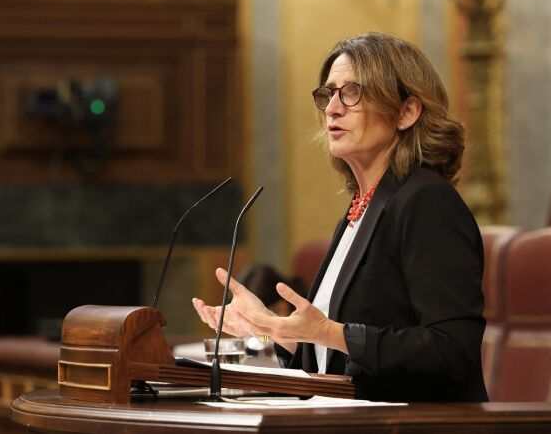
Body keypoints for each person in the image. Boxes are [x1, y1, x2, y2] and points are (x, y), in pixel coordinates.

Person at [192, 32, 487, 402]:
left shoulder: (427, 201)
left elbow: (452, 349)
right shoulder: (362, 208)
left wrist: (330, 333)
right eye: (328, 93)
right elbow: (333, 358)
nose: (332, 108)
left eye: (352, 92)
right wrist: (273, 329)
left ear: (407, 112)